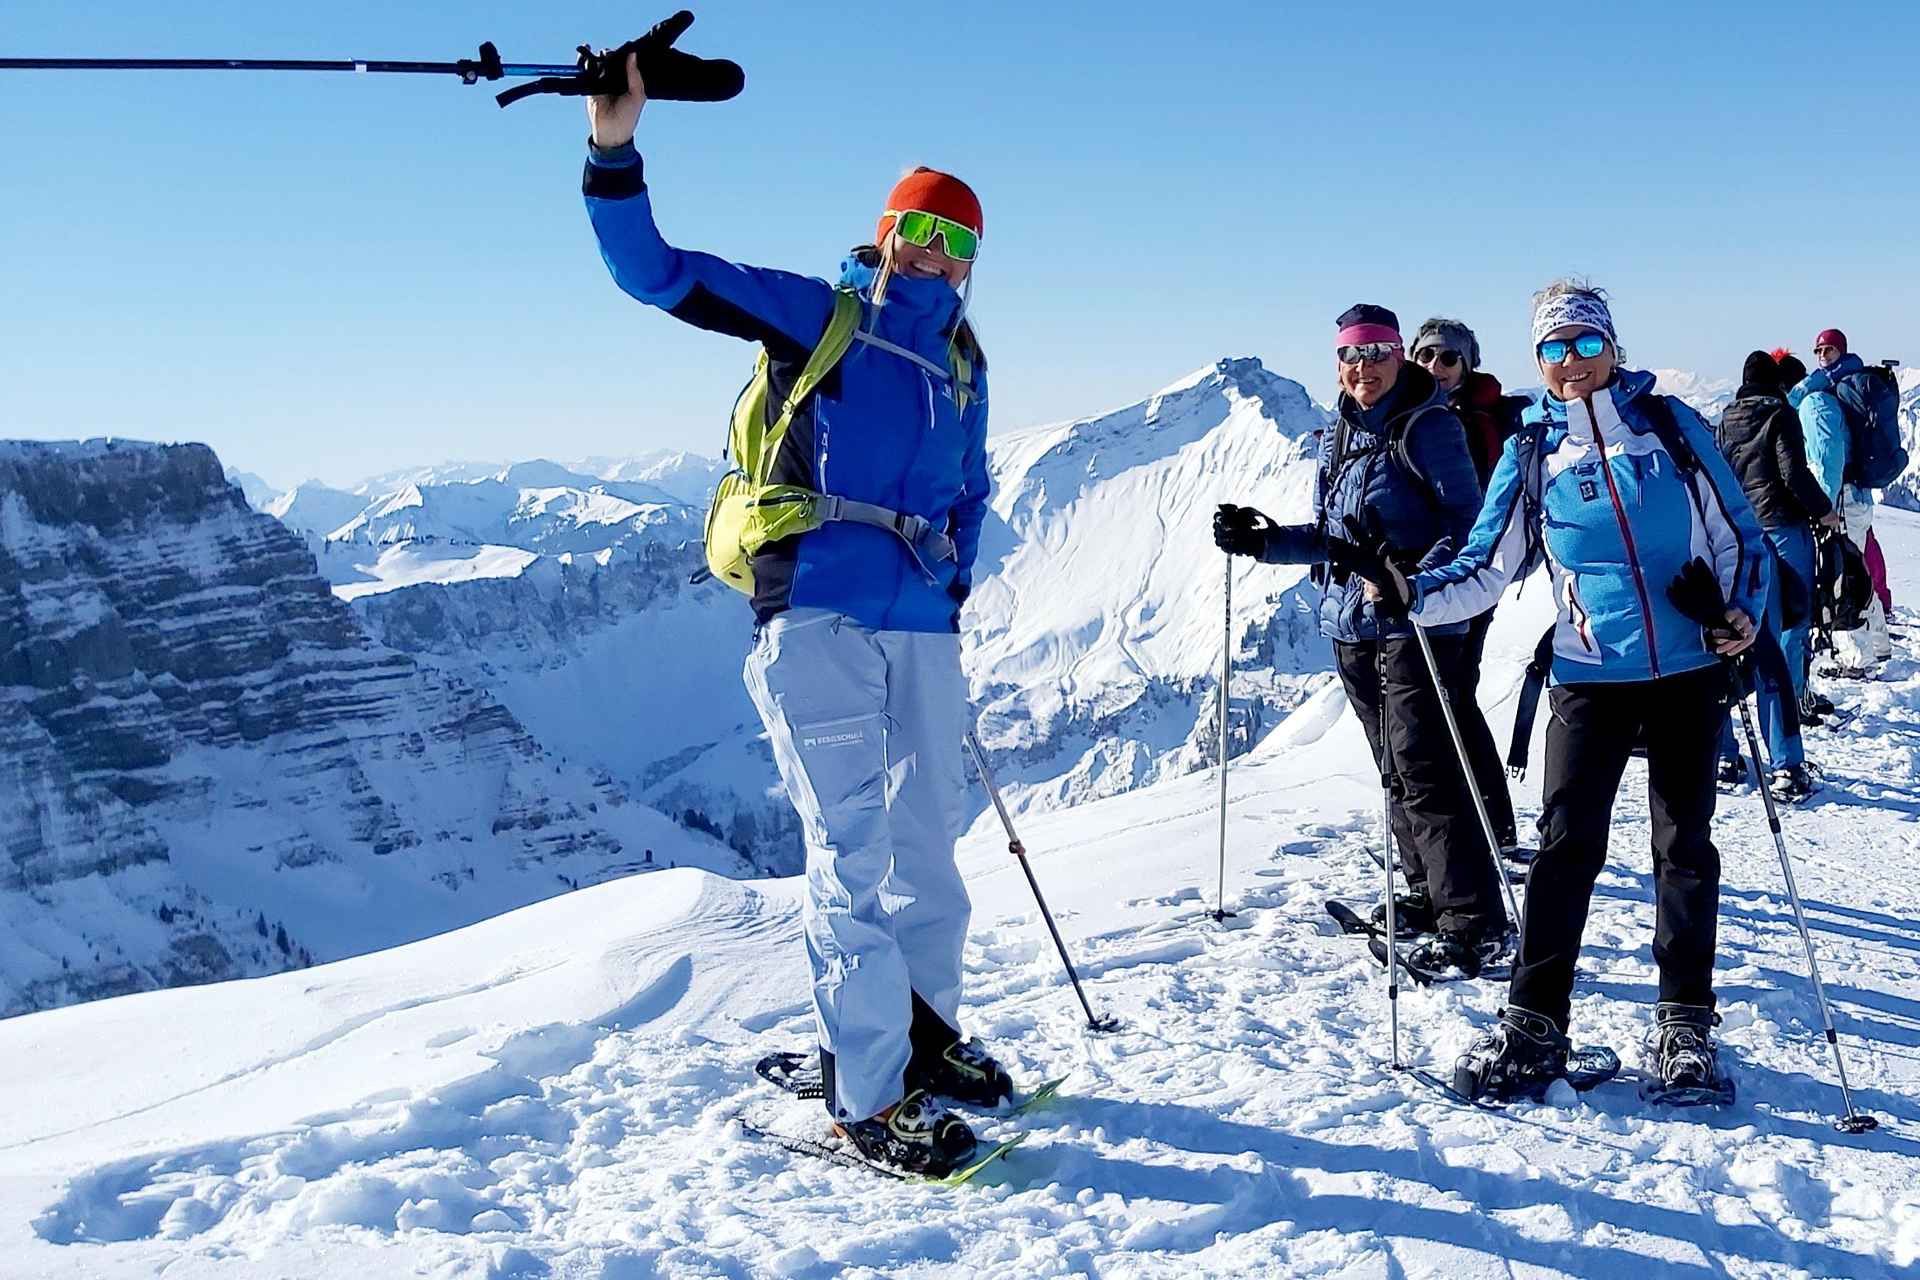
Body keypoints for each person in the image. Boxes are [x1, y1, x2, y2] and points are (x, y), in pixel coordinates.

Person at [581, 53, 1003, 1176]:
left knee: (930, 844)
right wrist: (613, 151)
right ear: (886, 231)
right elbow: (658, 274)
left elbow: (970, 491)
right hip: (815, 611)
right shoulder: (820, 318)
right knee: (850, 852)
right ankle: (867, 1094)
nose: (935, 252)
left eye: (957, 240)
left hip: (921, 626)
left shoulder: (961, 364)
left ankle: (925, 1036)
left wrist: (953, 586)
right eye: (920, 229)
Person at [1354, 281, 1769, 1102]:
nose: (1571, 361)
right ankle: (1534, 1024)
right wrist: (1412, 592)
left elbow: (1738, 535)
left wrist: (1741, 615)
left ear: (1612, 347)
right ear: (1537, 359)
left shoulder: (1670, 427)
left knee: (1684, 846)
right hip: (1589, 675)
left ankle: (1686, 1023)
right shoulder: (1533, 450)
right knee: (1565, 848)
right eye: (1554, 347)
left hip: (1689, 667)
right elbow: (1485, 564)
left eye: (1585, 343)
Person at [1215, 304, 1508, 978]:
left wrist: (1410, 576)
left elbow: (1469, 528)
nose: (1363, 366)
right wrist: (1262, 542)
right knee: (1393, 768)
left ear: (1399, 355)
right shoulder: (1338, 435)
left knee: (1426, 768)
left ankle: (1475, 922)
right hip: (1351, 622)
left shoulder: (1430, 427)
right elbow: (1331, 537)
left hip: (1415, 623)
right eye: (1350, 354)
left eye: (1376, 352)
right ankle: (1428, 892)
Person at [1410, 318, 1532, 855]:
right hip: (1424, 580)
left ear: (1467, 364)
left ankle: (1491, 825)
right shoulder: (1417, 415)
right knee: (1448, 696)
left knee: (1453, 694)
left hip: (1469, 576)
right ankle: (1479, 822)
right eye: (1425, 357)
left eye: (1447, 358)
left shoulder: (1471, 421)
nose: (1435, 367)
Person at [1710, 352, 1837, 803]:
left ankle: (1723, 756)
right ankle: (1786, 764)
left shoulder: (1725, 420)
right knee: (1779, 642)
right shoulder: (1780, 414)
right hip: (1782, 531)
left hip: (1737, 539)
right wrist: (1824, 511)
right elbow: (1793, 474)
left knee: (1731, 645)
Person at [1811, 329, 1893, 676]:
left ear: (1841, 351)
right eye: (1818, 350)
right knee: (1857, 570)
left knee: (1842, 578)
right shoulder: (1851, 387)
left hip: (1843, 497)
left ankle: (1856, 658)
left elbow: (1829, 456)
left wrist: (1825, 505)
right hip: (1859, 494)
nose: (1822, 356)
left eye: (1828, 349)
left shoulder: (1827, 395)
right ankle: (1879, 644)